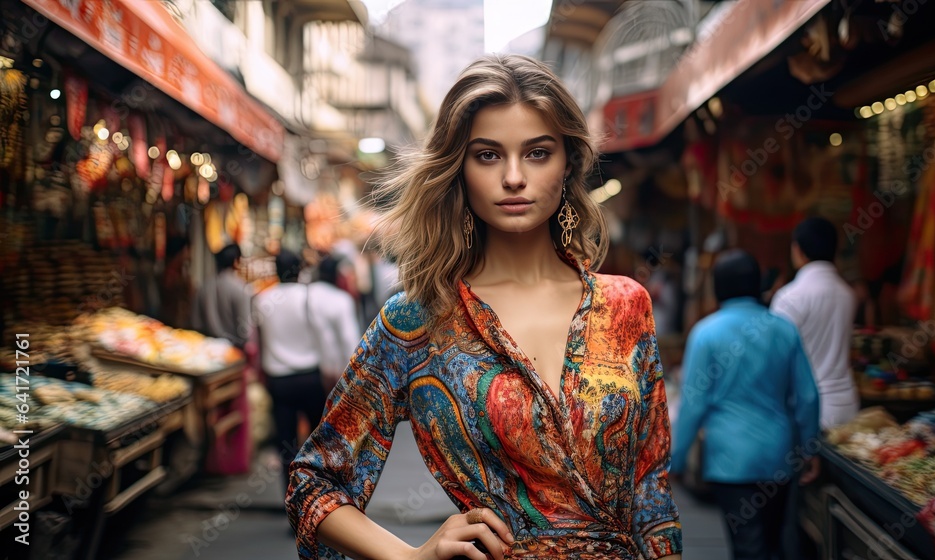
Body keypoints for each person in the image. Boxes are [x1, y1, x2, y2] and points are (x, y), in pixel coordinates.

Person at [286, 54, 682, 560]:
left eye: (538, 153)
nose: (514, 177)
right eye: (488, 155)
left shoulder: (626, 305)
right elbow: (314, 482)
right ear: (459, 170)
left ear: (568, 164)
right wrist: (410, 556)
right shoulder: (418, 320)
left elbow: (652, 497)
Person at [671, 249, 820, 560]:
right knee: (773, 542)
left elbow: (693, 404)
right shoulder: (783, 329)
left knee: (748, 547)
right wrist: (808, 448)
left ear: (718, 287)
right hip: (779, 457)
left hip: (730, 462)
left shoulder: (706, 333)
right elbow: (806, 397)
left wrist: (677, 459)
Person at [770, 218, 860, 429]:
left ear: (797, 250)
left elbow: (777, 360)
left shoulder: (789, 297)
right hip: (848, 404)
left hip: (809, 409)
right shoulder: (848, 294)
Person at [253, 249, 326, 489]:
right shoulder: (310, 297)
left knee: (286, 442)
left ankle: (290, 494)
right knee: (318, 440)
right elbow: (321, 336)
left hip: (279, 380)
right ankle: (318, 492)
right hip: (309, 377)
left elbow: (259, 340)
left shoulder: (263, 299)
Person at [310, 256, 362, 392]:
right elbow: (349, 339)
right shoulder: (341, 300)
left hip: (308, 369)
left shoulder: (307, 294)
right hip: (335, 372)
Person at [191, 243, 252, 349]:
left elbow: (195, 323)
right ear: (236, 262)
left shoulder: (204, 286)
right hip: (233, 352)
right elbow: (245, 331)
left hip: (207, 349)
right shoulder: (241, 289)